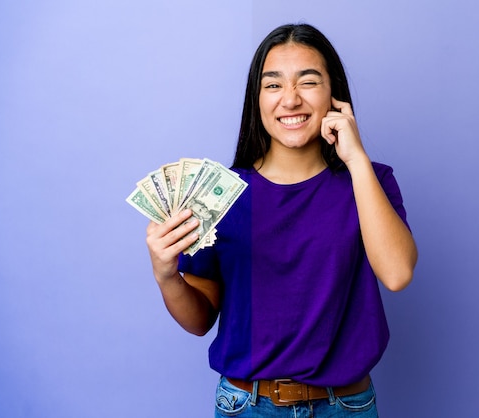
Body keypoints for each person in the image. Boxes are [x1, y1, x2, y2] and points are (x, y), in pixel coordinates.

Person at [145, 23, 418, 417]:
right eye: (273, 85)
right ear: (256, 99)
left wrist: (356, 159)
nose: (290, 100)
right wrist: (166, 275)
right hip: (247, 406)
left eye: (308, 82)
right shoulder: (217, 195)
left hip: (347, 407)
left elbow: (397, 274)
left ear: (334, 95)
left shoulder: (371, 182)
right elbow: (199, 319)